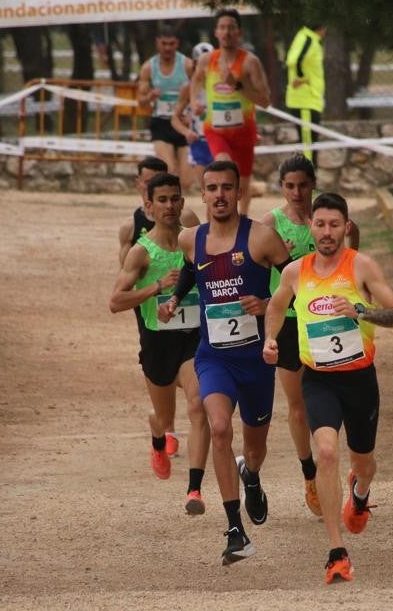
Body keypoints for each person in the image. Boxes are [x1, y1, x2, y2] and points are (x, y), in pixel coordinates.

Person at [262, 192, 393, 584]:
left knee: (363, 463)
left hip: (359, 380)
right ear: (312, 227)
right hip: (319, 379)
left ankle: (359, 493)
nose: (327, 232)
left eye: (334, 225)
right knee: (325, 452)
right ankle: (336, 551)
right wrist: (270, 339)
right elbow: (276, 305)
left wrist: (360, 310)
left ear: (346, 228)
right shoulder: (296, 271)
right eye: (320, 224)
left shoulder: (361, 266)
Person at [159, 160, 290, 564]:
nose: (219, 195)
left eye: (226, 188)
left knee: (254, 447)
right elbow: (188, 269)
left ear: (238, 193)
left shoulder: (263, 238)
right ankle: (235, 530)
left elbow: (297, 287)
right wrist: (177, 299)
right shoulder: (190, 238)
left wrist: (267, 303)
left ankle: (250, 475)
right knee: (217, 428)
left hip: (255, 360)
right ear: (202, 195)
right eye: (211, 188)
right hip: (213, 356)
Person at [257, 154, 359, 518]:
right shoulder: (269, 224)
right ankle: (310, 473)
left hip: (326, 322)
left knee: (341, 397)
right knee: (297, 404)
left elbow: (353, 264)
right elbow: (254, 263)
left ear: (313, 183)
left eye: (302, 184)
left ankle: (343, 459)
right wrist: (260, 303)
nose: (297, 192)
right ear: (281, 188)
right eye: (289, 186)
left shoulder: (329, 222)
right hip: (287, 321)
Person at [108, 172, 210, 514]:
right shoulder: (142, 252)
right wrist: (156, 288)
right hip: (158, 343)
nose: (170, 205)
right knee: (166, 420)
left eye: (175, 198)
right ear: (149, 206)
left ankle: (194, 490)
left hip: (194, 338)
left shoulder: (195, 241)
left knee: (198, 404)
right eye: (162, 200)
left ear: (182, 201)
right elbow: (115, 301)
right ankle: (157, 436)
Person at [175, 9, 271, 217]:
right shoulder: (206, 60)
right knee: (222, 169)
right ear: (216, 32)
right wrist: (194, 101)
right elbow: (196, 82)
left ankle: (242, 218)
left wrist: (237, 85)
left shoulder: (249, 62)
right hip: (215, 130)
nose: (226, 32)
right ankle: (216, 218)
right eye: (222, 27)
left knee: (243, 180)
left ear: (239, 33)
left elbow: (265, 101)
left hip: (244, 129)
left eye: (231, 28)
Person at [116, 157, 200, 268]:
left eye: (159, 182)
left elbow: (204, 258)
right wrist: (159, 285)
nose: (154, 187)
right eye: (149, 182)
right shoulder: (129, 227)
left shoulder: (186, 218)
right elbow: (125, 273)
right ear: (138, 183)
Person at [137, 27, 195, 182]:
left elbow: (201, 94)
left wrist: (192, 114)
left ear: (177, 44)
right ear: (157, 43)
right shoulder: (149, 67)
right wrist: (150, 96)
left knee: (186, 181)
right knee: (168, 170)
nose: (167, 48)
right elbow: (140, 102)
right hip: (161, 123)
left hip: (184, 124)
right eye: (164, 43)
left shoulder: (188, 65)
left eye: (171, 44)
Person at [172, 42, 217, 192]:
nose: (205, 68)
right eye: (201, 64)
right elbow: (175, 118)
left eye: (209, 63)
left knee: (222, 189)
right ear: (194, 64)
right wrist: (187, 132)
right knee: (207, 191)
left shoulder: (221, 85)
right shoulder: (188, 87)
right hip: (199, 142)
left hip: (220, 140)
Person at [284, 25, 326, 163]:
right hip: (304, 101)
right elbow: (294, 61)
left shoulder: (310, 39)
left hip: (311, 100)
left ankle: (310, 179)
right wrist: (301, 78)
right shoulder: (307, 39)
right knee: (308, 145)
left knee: (311, 144)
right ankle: (309, 182)